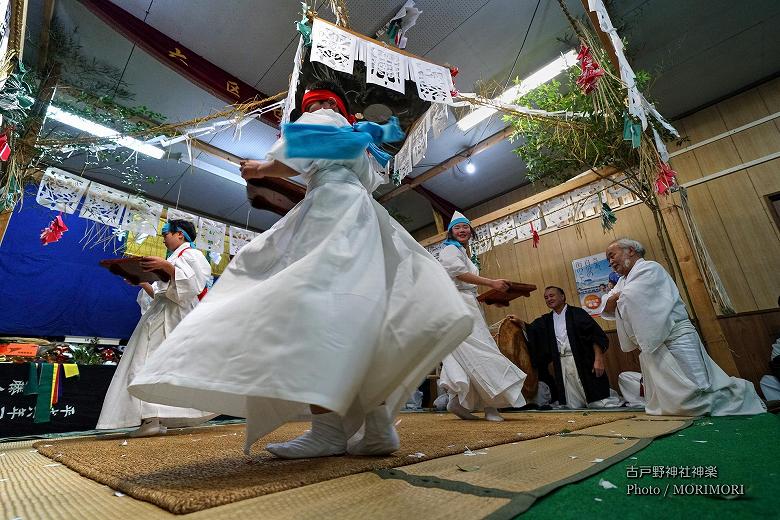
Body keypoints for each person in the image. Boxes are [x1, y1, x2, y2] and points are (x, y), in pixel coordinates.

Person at [128, 80, 473, 458]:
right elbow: (355, 171)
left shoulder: (325, 117)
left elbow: (302, 147)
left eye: (309, 107)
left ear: (322, 105)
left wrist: (262, 168)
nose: (308, 113)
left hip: (331, 212)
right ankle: (377, 427)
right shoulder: (361, 141)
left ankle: (328, 431)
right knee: (356, 321)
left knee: (313, 312)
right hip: (364, 219)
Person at [601, 238, 765, 416]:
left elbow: (630, 296)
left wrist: (617, 297)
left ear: (631, 251)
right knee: (674, 393)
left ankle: (739, 401)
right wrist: (616, 297)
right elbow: (606, 305)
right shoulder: (623, 282)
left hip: (677, 336)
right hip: (655, 341)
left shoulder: (649, 268)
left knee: (698, 384)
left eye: (612, 255)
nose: (610, 262)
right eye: (608, 259)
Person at [97, 219, 214, 436]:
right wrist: (141, 279)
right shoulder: (176, 257)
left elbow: (192, 287)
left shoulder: (192, 255)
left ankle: (151, 417)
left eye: (166, 233)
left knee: (148, 361)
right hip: (164, 312)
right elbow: (165, 292)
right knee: (148, 361)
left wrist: (166, 266)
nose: (164, 238)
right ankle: (153, 417)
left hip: (175, 316)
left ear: (180, 235)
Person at [437, 212, 527, 422]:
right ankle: (490, 406)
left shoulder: (463, 253)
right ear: (451, 232)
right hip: (457, 307)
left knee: (470, 354)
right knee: (482, 352)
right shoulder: (450, 250)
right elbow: (458, 275)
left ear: (471, 231)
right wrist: (492, 283)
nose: (462, 231)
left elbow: (466, 286)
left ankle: (458, 401)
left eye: (465, 227)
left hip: (467, 305)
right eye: (457, 228)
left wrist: (490, 298)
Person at [526, 286, 622, 409]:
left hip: (583, 361)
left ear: (562, 296)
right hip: (562, 363)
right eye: (546, 297)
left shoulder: (578, 313)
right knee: (571, 403)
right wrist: (520, 323)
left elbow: (595, 336)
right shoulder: (546, 320)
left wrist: (598, 359)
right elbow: (531, 329)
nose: (549, 299)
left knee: (597, 402)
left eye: (552, 295)